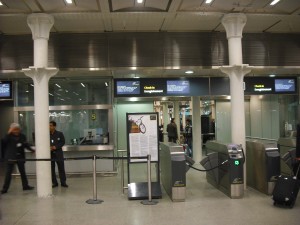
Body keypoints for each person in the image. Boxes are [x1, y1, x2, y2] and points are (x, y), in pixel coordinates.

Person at [1, 123, 35, 194]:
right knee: (8, 173)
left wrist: (32, 150)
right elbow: (3, 142)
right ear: (11, 130)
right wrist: (8, 132)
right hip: (10, 157)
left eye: (17, 129)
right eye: (14, 130)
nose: (16, 131)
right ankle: (5, 189)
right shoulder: (8, 136)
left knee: (23, 172)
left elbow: (25, 144)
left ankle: (25, 186)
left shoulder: (22, 136)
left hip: (20, 157)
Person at [49, 121, 68, 188]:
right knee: (51, 169)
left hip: (58, 154)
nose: (49, 127)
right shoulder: (47, 134)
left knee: (61, 168)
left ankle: (63, 182)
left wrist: (56, 147)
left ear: (54, 126)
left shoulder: (59, 134)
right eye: (49, 125)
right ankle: (54, 183)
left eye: (51, 125)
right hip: (50, 154)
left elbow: (62, 142)